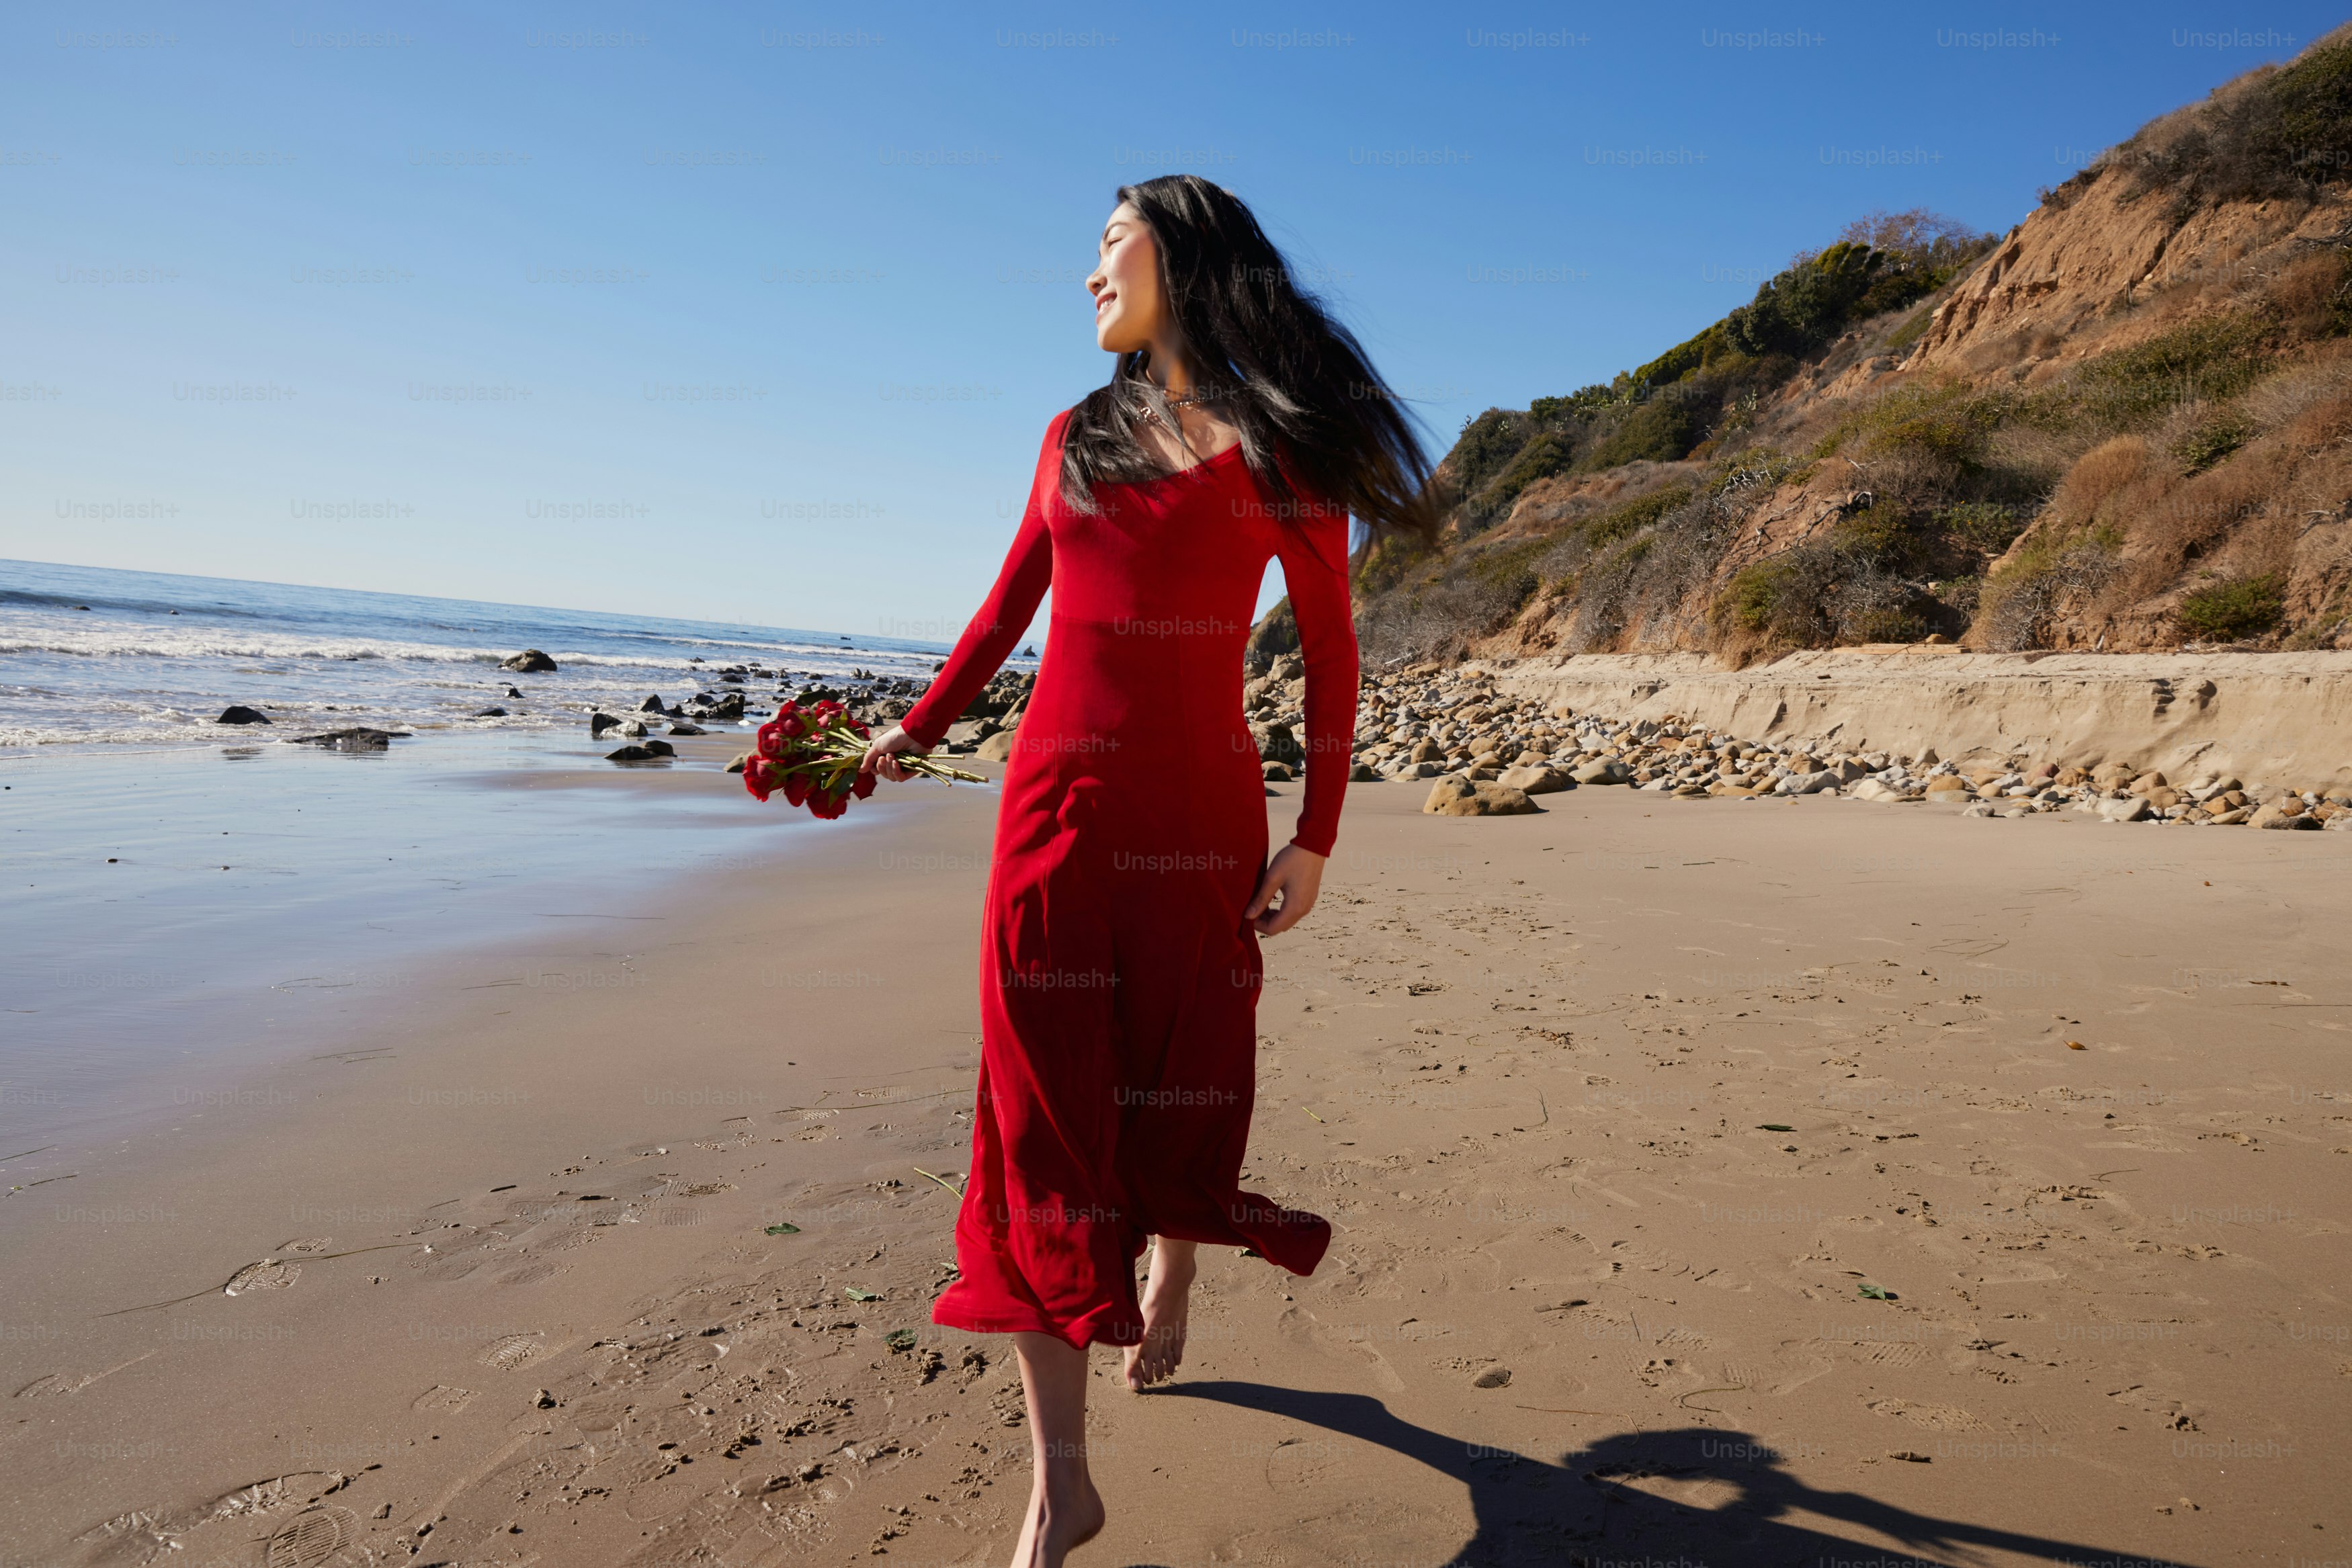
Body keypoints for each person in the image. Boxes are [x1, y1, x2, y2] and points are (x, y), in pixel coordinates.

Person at [858, 173, 1437, 1567]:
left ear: (1178, 255)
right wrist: (908, 732)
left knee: (1177, 1080)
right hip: (1050, 813)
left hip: (1198, 821)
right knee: (1039, 1122)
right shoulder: (1070, 439)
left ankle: (1174, 1253)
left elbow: (1334, 653)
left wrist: (1317, 837)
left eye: (1107, 246)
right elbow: (1007, 612)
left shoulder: (1285, 452)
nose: (1087, 274)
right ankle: (1061, 1487)